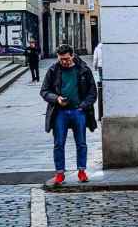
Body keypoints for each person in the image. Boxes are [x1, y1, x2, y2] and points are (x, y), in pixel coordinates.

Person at [40, 44, 98, 185]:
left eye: (66, 59)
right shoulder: (53, 70)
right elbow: (44, 91)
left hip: (78, 111)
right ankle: (60, 173)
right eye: (61, 59)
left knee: (81, 143)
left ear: (72, 55)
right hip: (59, 112)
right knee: (59, 143)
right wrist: (57, 99)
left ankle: (82, 171)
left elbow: (92, 92)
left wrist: (83, 106)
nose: (63, 62)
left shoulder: (83, 69)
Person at [92, 42, 104, 121]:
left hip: (100, 66)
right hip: (107, 65)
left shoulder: (97, 49)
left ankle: (102, 88)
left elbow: (95, 59)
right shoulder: (106, 47)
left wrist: (94, 66)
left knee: (101, 79)